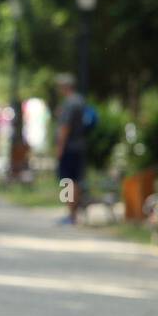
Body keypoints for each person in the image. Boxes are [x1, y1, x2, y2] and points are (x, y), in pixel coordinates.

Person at [53, 73, 86, 225]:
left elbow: (65, 128)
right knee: (76, 181)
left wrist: (60, 147)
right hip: (79, 145)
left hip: (69, 147)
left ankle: (70, 214)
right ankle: (73, 214)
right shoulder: (80, 101)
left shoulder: (69, 103)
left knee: (67, 181)